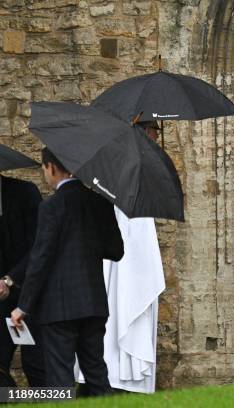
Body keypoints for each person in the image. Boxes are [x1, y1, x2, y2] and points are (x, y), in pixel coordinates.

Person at [11, 147, 124, 394]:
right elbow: (116, 250)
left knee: (59, 377)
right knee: (95, 372)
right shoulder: (101, 202)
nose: (45, 176)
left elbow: (40, 260)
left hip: (59, 307)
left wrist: (24, 306)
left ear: (51, 167)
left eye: (43, 170)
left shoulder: (51, 206)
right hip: (93, 303)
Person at [75, 120, 165, 393]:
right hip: (115, 256)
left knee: (126, 300)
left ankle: (118, 374)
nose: (156, 139)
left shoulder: (137, 174)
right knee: (115, 308)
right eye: (153, 133)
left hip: (132, 252)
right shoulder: (124, 173)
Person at [0, 173, 45, 386]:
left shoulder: (25, 192)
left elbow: (40, 246)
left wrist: (10, 280)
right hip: (0, 300)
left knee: (35, 365)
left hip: (31, 295)